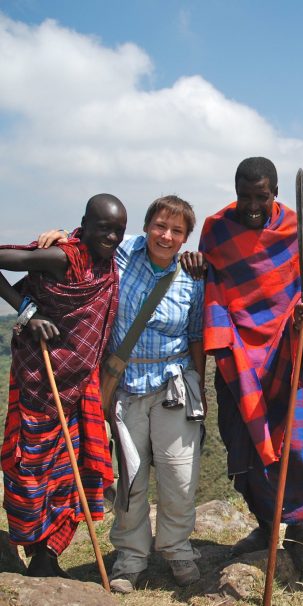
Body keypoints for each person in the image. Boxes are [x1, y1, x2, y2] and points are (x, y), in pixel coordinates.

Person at [40, 195, 206, 594]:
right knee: (130, 476)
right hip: (126, 385)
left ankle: (177, 549)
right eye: (160, 226)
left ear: (186, 238)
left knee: (179, 473)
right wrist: (65, 237)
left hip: (174, 385)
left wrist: (201, 387)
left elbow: (197, 334)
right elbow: (87, 247)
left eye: (176, 231)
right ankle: (131, 556)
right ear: (147, 225)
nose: (166, 236)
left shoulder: (192, 277)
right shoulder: (122, 253)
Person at [199, 157, 303, 578]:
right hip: (237, 357)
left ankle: (301, 533)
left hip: (284, 352)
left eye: (260, 196)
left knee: (294, 443)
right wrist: (195, 268)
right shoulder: (216, 229)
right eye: (244, 195)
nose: (251, 204)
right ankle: (266, 529)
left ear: (275, 192)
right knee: (243, 443)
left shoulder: (294, 230)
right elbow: (212, 282)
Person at [0, 194, 126, 578]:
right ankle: (30, 546)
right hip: (41, 380)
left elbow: (159, 244)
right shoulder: (62, 257)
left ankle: (48, 556)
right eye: (103, 228)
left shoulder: (108, 264)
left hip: (80, 386)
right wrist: (26, 311)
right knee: (31, 472)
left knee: (73, 476)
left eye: (118, 230)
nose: (111, 237)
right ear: (84, 225)